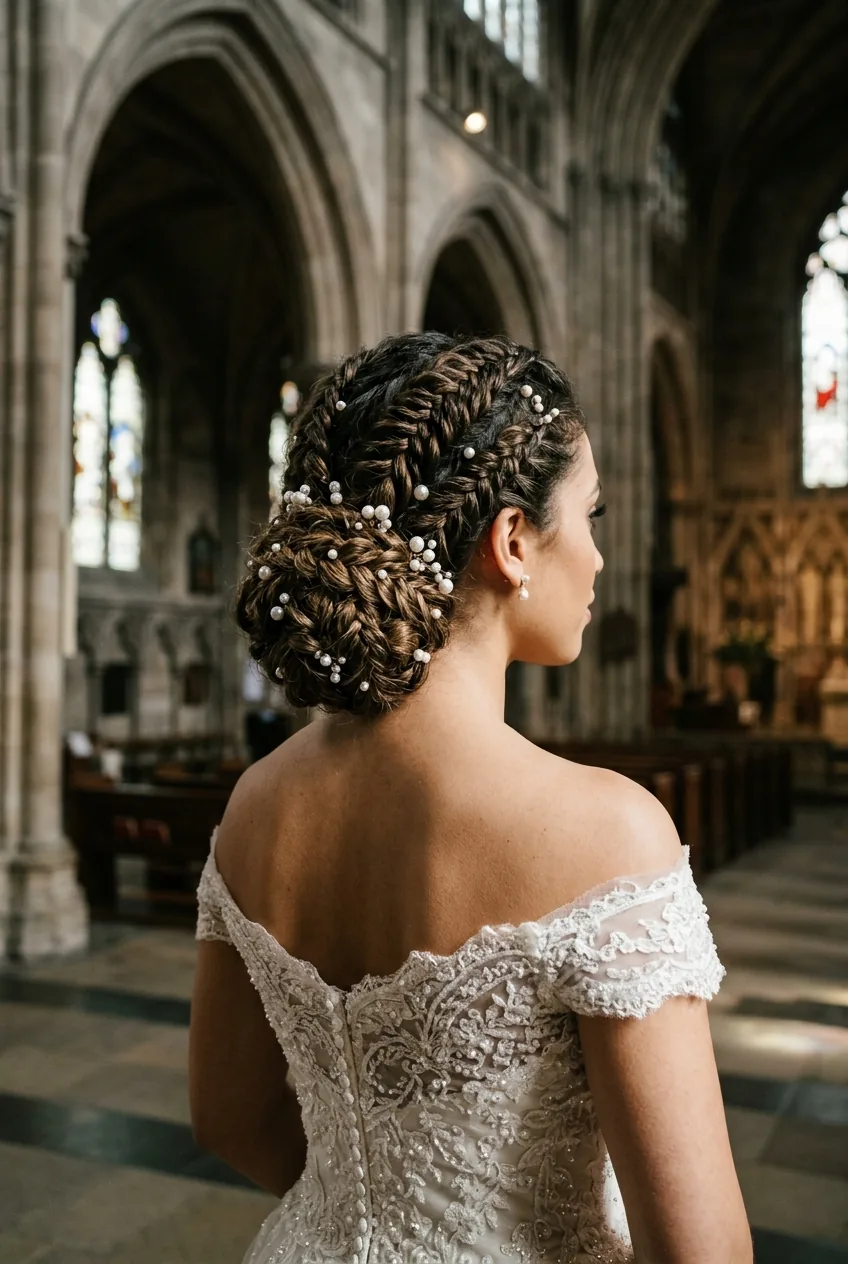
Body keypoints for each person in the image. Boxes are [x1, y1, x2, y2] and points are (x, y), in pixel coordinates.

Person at [189, 333, 751, 1264]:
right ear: (513, 540)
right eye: (591, 515)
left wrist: (365, 1217)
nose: (599, 558)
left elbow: (228, 1119)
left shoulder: (256, 802)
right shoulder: (606, 833)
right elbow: (700, 1251)